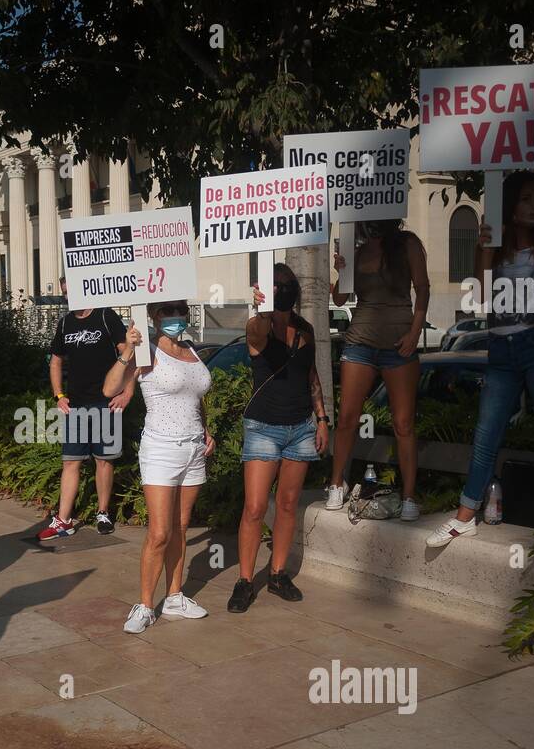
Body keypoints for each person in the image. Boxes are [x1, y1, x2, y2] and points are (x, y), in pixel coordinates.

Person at [427, 170, 534, 547]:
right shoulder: (498, 247)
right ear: (510, 205)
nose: (533, 206)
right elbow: (481, 299)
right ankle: (465, 515)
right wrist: (484, 246)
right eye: (525, 199)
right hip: (501, 348)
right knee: (486, 434)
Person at [102, 301, 214, 633]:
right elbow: (109, 388)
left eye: (179, 309)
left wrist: (206, 430)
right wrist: (128, 349)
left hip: (194, 448)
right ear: (153, 316)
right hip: (161, 449)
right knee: (160, 533)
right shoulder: (145, 352)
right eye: (166, 311)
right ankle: (146, 604)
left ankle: (175, 596)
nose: (174, 317)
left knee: (181, 528)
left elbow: (196, 398)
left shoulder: (191, 350)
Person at [227, 264, 329, 613]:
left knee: (287, 505)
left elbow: (310, 375)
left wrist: (322, 418)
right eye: (276, 285)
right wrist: (261, 308)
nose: (283, 289)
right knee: (255, 507)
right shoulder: (260, 328)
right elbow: (255, 334)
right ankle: (244, 580)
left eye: (287, 284)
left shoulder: (306, 330)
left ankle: (277, 574)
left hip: (300, 428)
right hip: (263, 428)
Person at [326, 220, 429, 520]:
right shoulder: (355, 249)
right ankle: (336, 484)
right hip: (360, 341)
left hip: (400, 345)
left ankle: (409, 496)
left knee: (404, 424)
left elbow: (422, 290)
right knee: (346, 417)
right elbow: (339, 300)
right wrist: (341, 270)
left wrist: (414, 333)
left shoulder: (408, 244)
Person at [38, 275, 136, 540]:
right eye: (65, 293)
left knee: (104, 461)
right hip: (76, 406)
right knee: (71, 462)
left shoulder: (106, 316)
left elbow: (128, 353)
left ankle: (103, 512)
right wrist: (58, 394)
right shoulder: (65, 322)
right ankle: (63, 520)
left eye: (73, 291)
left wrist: (127, 392)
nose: (70, 297)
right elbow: (55, 361)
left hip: (106, 403)